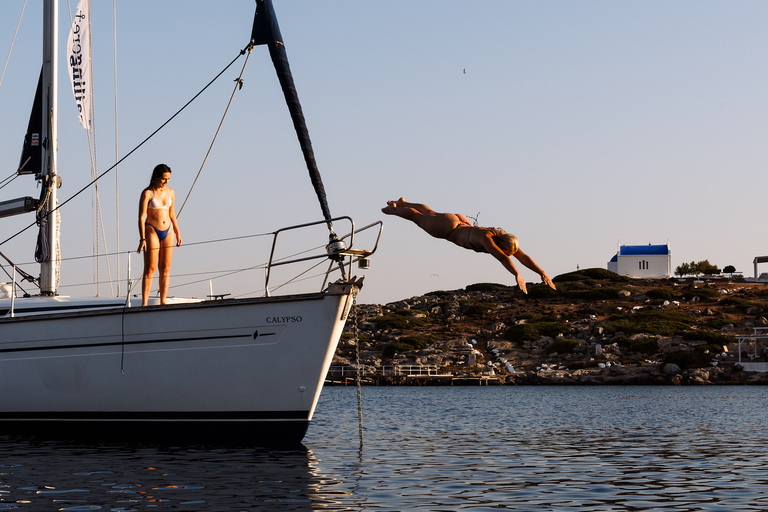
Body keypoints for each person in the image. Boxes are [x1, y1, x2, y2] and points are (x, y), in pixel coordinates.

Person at [382, 198, 555, 294]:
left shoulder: (498, 232)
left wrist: (542, 273)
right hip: (447, 229)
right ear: (501, 245)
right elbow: (503, 258)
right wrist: (517, 275)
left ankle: (404, 202)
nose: (507, 254)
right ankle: (394, 209)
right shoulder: (488, 239)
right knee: (417, 218)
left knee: (429, 212)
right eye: (506, 251)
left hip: (459, 220)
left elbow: (522, 256)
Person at [137, 164, 182, 305]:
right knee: (150, 268)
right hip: (151, 229)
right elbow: (141, 217)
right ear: (156, 177)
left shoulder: (171, 192)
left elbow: (172, 214)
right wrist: (142, 238)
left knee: (165, 267)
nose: (166, 181)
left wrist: (177, 232)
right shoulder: (147, 193)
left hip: (168, 230)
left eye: (168, 179)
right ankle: (144, 303)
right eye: (163, 179)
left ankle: (163, 301)